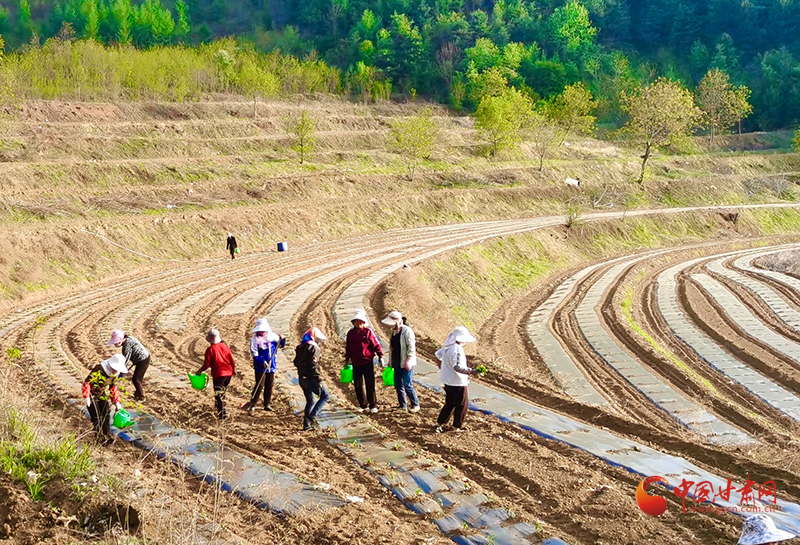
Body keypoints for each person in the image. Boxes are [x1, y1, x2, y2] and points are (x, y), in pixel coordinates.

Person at [435, 326, 478, 432]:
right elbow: (457, 367)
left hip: (447, 380)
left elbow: (437, 355)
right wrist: (471, 371)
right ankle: (457, 426)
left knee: (450, 403)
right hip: (458, 381)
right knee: (462, 405)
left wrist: (443, 367)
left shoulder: (447, 347)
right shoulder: (457, 349)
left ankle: (440, 422)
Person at [82, 353, 128, 446]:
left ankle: (106, 434)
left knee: (106, 413)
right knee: (96, 417)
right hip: (92, 394)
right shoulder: (100, 368)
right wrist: (87, 396)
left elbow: (113, 388)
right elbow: (87, 382)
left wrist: (117, 402)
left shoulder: (115, 373)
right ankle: (99, 437)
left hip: (101, 393)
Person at [344, 309, 384, 413]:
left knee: (370, 383)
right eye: (357, 321)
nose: (359, 323)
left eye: (361, 321)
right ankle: (362, 404)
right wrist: (347, 359)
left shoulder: (368, 332)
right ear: (354, 322)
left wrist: (380, 355)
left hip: (367, 361)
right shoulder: (351, 334)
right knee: (358, 384)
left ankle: (373, 404)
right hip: (356, 362)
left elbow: (375, 345)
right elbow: (348, 347)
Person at [381, 310, 419, 413]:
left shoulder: (407, 331)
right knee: (398, 384)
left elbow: (411, 347)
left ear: (398, 321)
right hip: (396, 361)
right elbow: (391, 347)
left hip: (406, 362)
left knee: (407, 383)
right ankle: (403, 405)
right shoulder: (392, 332)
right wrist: (390, 360)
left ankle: (415, 404)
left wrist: (409, 360)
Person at [244, 318, 285, 413]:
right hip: (260, 366)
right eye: (259, 331)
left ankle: (267, 404)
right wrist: (262, 361)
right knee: (259, 384)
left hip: (271, 364)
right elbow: (254, 353)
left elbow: (280, 345)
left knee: (269, 384)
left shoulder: (273, 337)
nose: (261, 333)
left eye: (262, 331)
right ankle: (253, 403)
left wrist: (282, 340)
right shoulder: (254, 340)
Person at [294, 327, 330, 431]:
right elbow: (314, 367)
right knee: (325, 396)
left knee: (310, 401)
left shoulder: (300, 347)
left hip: (302, 378)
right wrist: (318, 380)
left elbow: (296, 362)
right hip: (311, 379)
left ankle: (307, 426)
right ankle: (312, 416)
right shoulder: (314, 348)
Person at [195, 328, 236, 420]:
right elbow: (231, 358)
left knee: (218, 394)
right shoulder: (225, 346)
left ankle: (222, 415)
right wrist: (234, 368)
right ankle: (219, 407)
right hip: (228, 373)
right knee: (223, 391)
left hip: (219, 374)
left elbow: (207, 364)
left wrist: (200, 370)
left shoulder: (210, 350)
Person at [108, 329, 150, 402]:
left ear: (121, 339)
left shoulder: (127, 346)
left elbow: (125, 361)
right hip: (139, 359)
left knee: (136, 379)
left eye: (116, 342)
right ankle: (137, 395)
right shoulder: (128, 339)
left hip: (143, 360)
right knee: (136, 378)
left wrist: (121, 373)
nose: (114, 344)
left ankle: (141, 397)